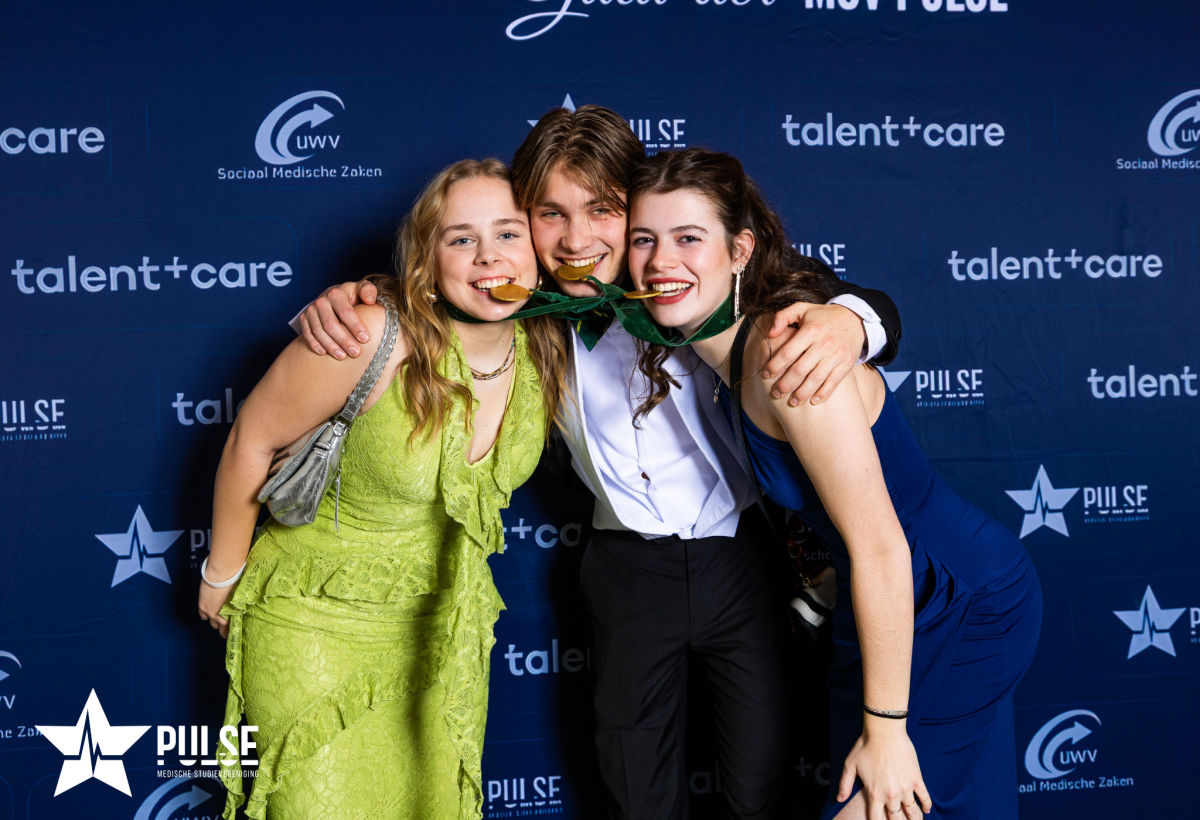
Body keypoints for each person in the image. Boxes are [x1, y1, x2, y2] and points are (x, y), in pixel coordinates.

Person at [293, 105, 904, 820]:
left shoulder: (696, 284)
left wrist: (851, 321)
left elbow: (863, 306)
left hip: (746, 561)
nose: (577, 240)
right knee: (634, 785)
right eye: (550, 214)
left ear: (636, 209)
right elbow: (440, 291)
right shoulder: (523, 316)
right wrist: (358, 298)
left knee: (761, 782)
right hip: (625, 568)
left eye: (602, 211)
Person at [622, 147, 1042, 820]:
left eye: (689, 238)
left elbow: (881, 545)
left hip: (952, 596)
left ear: (740, 250)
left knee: (879, 797)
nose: (660, 261)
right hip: (878, 608)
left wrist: (887, 730)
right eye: (644, 239)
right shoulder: (728, 357)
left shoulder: (784, 355)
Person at [196, 158, 569, 820]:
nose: (489, 256)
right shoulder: (370, 334)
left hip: (443, 630)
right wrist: (220, 575)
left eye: (509, 233)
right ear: (429, 259)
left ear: (540, 251)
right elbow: (249, 438)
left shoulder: (546, 348)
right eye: (461, 238)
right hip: (315, 621)